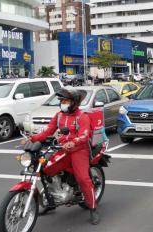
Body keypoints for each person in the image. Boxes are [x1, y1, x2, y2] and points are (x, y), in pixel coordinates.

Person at [21, 88, 100, 225]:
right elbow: (47, 133)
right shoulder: (58, 116)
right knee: (46, 168)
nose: (62, 103)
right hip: (62, 148)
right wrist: (31, 138)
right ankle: (50, 201)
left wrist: (73, 142)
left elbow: (84, 135)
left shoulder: (82, 116)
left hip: (79, 150)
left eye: (65, 101)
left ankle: (93, 208)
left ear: (74, 103)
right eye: (61, 101)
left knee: (83, 178)